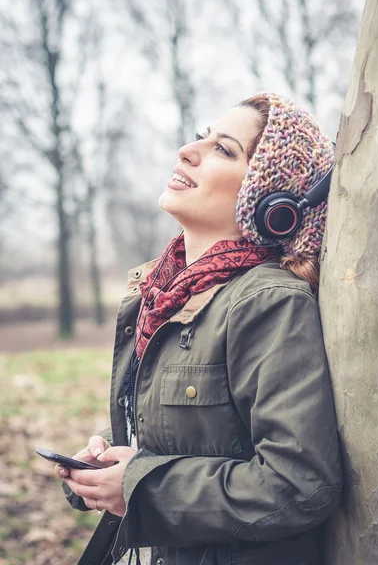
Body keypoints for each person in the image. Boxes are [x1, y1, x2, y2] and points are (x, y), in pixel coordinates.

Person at [54, 93, 343, 565]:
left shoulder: (267, 304)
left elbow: (300, 484)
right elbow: (186, 436)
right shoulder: (158, 294)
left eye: (224, 149)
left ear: (275, 204)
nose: (188, 152)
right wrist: (104, 466)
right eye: (200, 137)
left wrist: (140, 486)